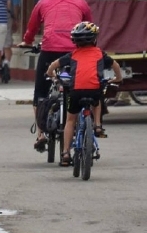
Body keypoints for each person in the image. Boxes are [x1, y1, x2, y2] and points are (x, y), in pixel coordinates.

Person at [19, 0, 94, 150]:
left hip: (50, 51)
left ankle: (40, 134)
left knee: (41, 93)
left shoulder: (43, 2)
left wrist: (27, 42)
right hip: (74, 52)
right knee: (79, 86)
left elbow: (32, 28)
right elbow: (90, 27)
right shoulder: (81, 3)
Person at [45, 22, 116, 167]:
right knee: (97, 100)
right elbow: (116, 66)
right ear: (95, 39)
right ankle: (97, 125)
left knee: (70, 120)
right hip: (94, 90)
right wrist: (118, 78)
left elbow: (53, 66)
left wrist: (51, 75)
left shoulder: (72, 55)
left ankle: (65, 153)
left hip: (75, 91)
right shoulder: (100, 54)